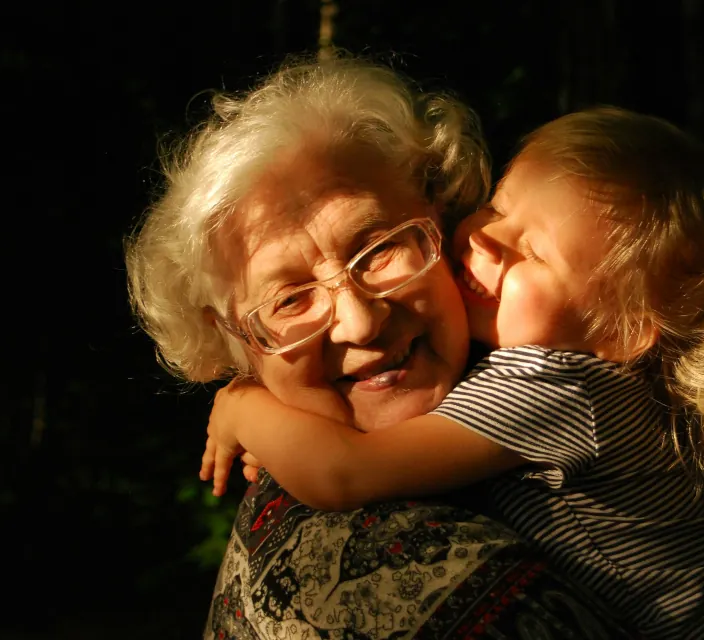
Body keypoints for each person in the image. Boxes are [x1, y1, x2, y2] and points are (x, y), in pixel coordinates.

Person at [197, 107, 704, 638]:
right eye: (498, 208)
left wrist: (243, 406)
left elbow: (343, 473)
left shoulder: (555, 385)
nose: (485, 240)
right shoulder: (556, 372)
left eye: (533, 252)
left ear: (618, 332)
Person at [126, 55, 638, 639]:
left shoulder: (559, 368)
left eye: (380, 250)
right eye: (290, 299)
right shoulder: (386, 571)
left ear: (442, 224)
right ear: (238, 346)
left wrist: (247, 408)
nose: (362, 323)